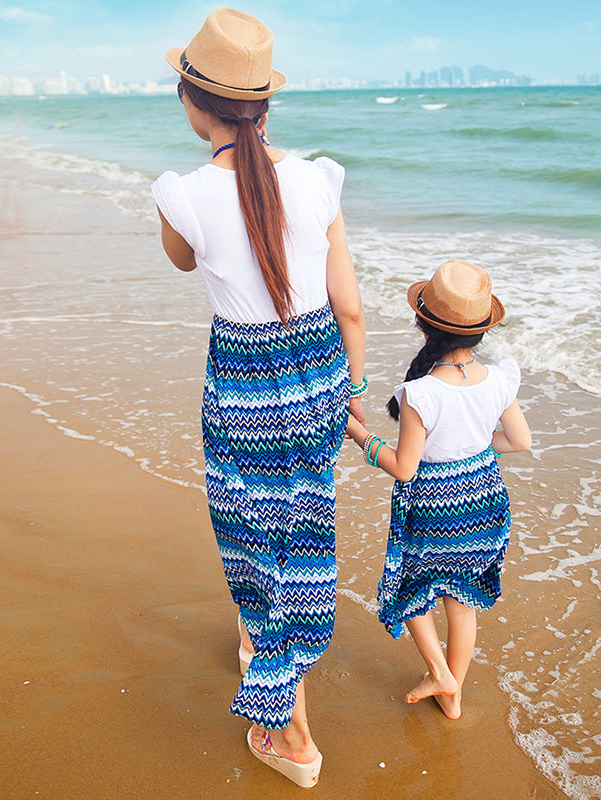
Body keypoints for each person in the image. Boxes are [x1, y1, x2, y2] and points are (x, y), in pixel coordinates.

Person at [151, 8, 366, 788]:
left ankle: (293, 737)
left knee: (255, 538)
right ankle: (262, 638)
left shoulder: (180, 194)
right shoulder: (317, 177)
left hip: (245, 383)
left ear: (191, 102)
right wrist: (354, 387)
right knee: (302, 529)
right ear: (266, 104)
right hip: (319, 370)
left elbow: (183, 261)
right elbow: (349, 307)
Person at [345, 259, 531, 720]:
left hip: (433, 506)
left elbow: (405, 468)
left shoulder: (421, 393)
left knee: (409, 590)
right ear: (482, 332)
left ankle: (439, 673)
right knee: (462, 603)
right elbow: (520, 441)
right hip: (485, 500)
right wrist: (471, 444)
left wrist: (361, 437)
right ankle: (453, 696)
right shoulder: (500, 380)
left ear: (423, 327)